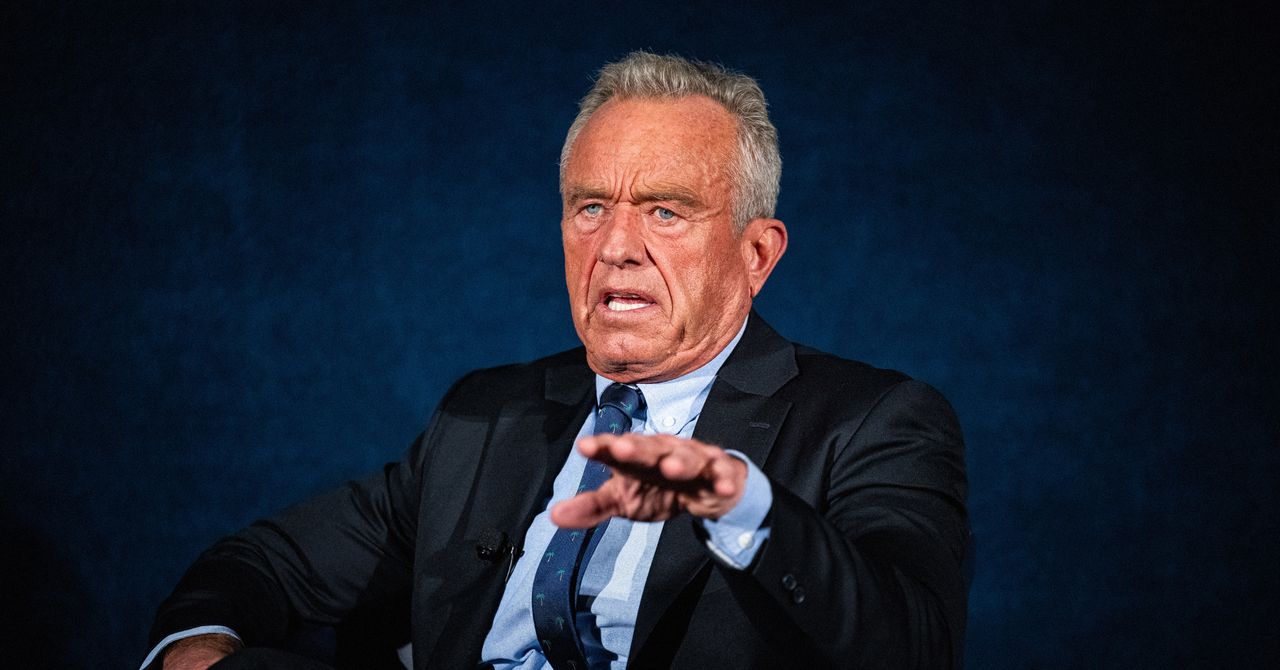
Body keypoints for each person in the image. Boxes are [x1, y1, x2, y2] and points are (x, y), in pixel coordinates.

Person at [143, 51, 970, 670]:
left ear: (756, 254)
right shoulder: (483, 416)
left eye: (666, 211)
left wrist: (740, 503)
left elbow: (915, 644)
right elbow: (267, 565)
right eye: (591, 207)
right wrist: (196, 646)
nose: (616, 246)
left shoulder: (873, 421)